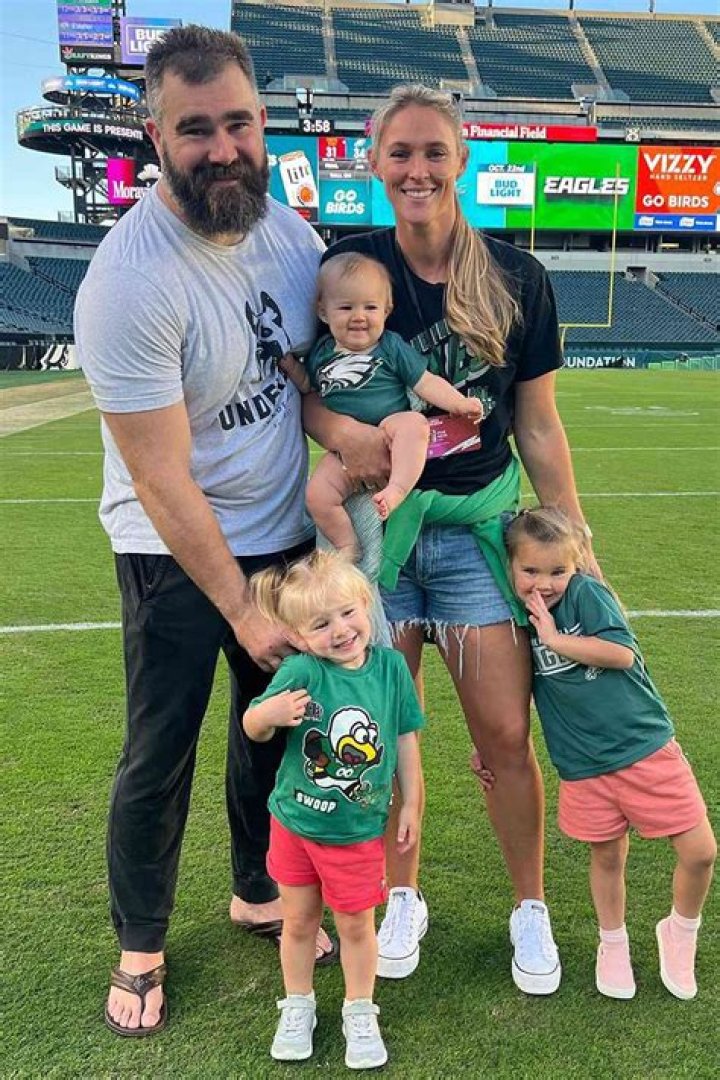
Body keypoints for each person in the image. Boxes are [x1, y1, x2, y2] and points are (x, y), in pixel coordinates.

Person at [75, 25, 359, 1037]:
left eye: (238, 123)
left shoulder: (291, 238)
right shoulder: (128, 280)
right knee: (161, 748)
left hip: (283, 538)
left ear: (262, 121)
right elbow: (159, 476)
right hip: (173, 550)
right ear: (156, 136)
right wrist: (239, 605)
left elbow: (311, 383)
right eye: (195, 129)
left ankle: (255, 886)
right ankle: (141, 943)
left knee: (278, 730)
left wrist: (358, 447)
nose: (222, 148)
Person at [302, 84, 599, 991]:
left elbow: (537, 423)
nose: (418, 169)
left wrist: (576, 537)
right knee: (378, 727)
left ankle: (530, 908)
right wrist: (344, 435)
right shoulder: (349, 265)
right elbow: (310, 392)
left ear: (461, 159)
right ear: (374, 161)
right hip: (378, 534)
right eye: (400, 152)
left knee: (505, 734)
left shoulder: (517, 275)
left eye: (435, 151)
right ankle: (403, 897)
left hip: (477, 534)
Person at [504, 508, 716, 1000]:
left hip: (644, 747)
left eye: (558, 570)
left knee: (701, 851)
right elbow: (519, 689)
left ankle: (679, 931)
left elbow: (622, 654)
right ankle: (612, 942)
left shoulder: (585, 594)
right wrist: (493, 745)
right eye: (530, 570)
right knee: (606, 855)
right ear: (510, 565)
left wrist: (555, 638)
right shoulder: (517, 616)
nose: (545, 583)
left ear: (575, 565)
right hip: (583, 766)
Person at [243, 550, 423, 1068]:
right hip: (296, 825)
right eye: (321, 624)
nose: (341, 630)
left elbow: (405, 740)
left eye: (347, 613)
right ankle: (298, 1004)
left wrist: (412, 802)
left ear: (366, 604)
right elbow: (253, 725)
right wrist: (270, 712)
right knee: (299, 922)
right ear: (299, 636)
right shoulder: (302, 670)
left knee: (357, 927)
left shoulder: (391, 669)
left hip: (357, 832)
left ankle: (359, 1011)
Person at [281, 252, 482, 557]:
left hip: (390, 429)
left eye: (370, 307)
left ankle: (396, 489)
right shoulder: (321, 352)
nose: (358, 316)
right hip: (345, 452)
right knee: (317, 496)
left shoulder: (389, 346)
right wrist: (292, 368)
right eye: (346, 307)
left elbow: (425, 382)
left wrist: (459, 403)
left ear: (387, 311)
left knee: (414, 424)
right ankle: (347, 545)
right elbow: (309, 386)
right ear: (323, 312)